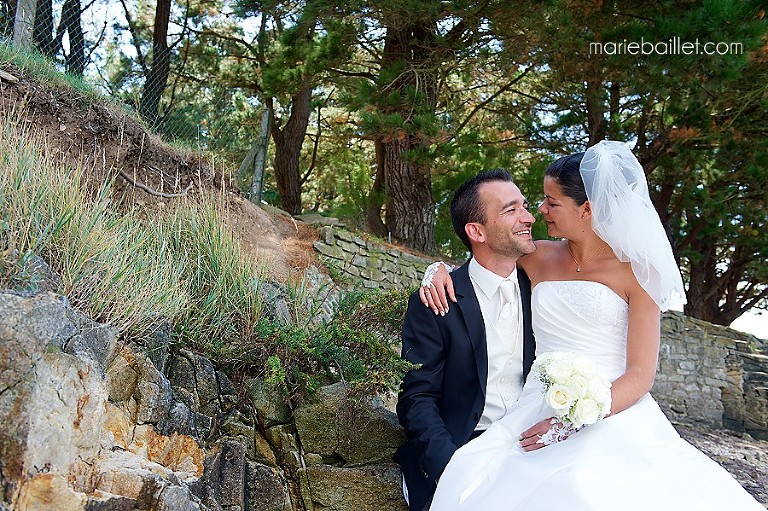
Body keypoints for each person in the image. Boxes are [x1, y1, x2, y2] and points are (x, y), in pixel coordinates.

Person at [419, 140, 765, 510]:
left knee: (591, 487)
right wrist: (437, 270)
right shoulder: (537, 256)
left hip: (613, 409)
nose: (540, 210)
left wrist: (574, 421)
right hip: (538, 401)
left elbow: (640, 374)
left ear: (587, 209)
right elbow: (483, 261)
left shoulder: (640, 273)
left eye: (552, 203)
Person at [394, 169, 538, 511]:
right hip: (462, 446)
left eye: (526, 206)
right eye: (511, 209)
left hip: (533, 447)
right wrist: (451, 466)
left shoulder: (545, 290)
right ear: (476, 231)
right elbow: (417, 397)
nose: (529, 217)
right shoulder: (436, 300)